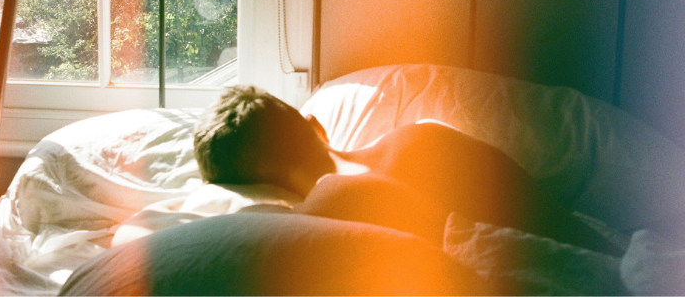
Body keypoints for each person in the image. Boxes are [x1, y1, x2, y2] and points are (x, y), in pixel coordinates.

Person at [193, 84, 620, 255]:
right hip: (604, 249)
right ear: (316, 125)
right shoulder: (423, 135)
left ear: (262, 191)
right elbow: (549, 218)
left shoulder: (321, 210)